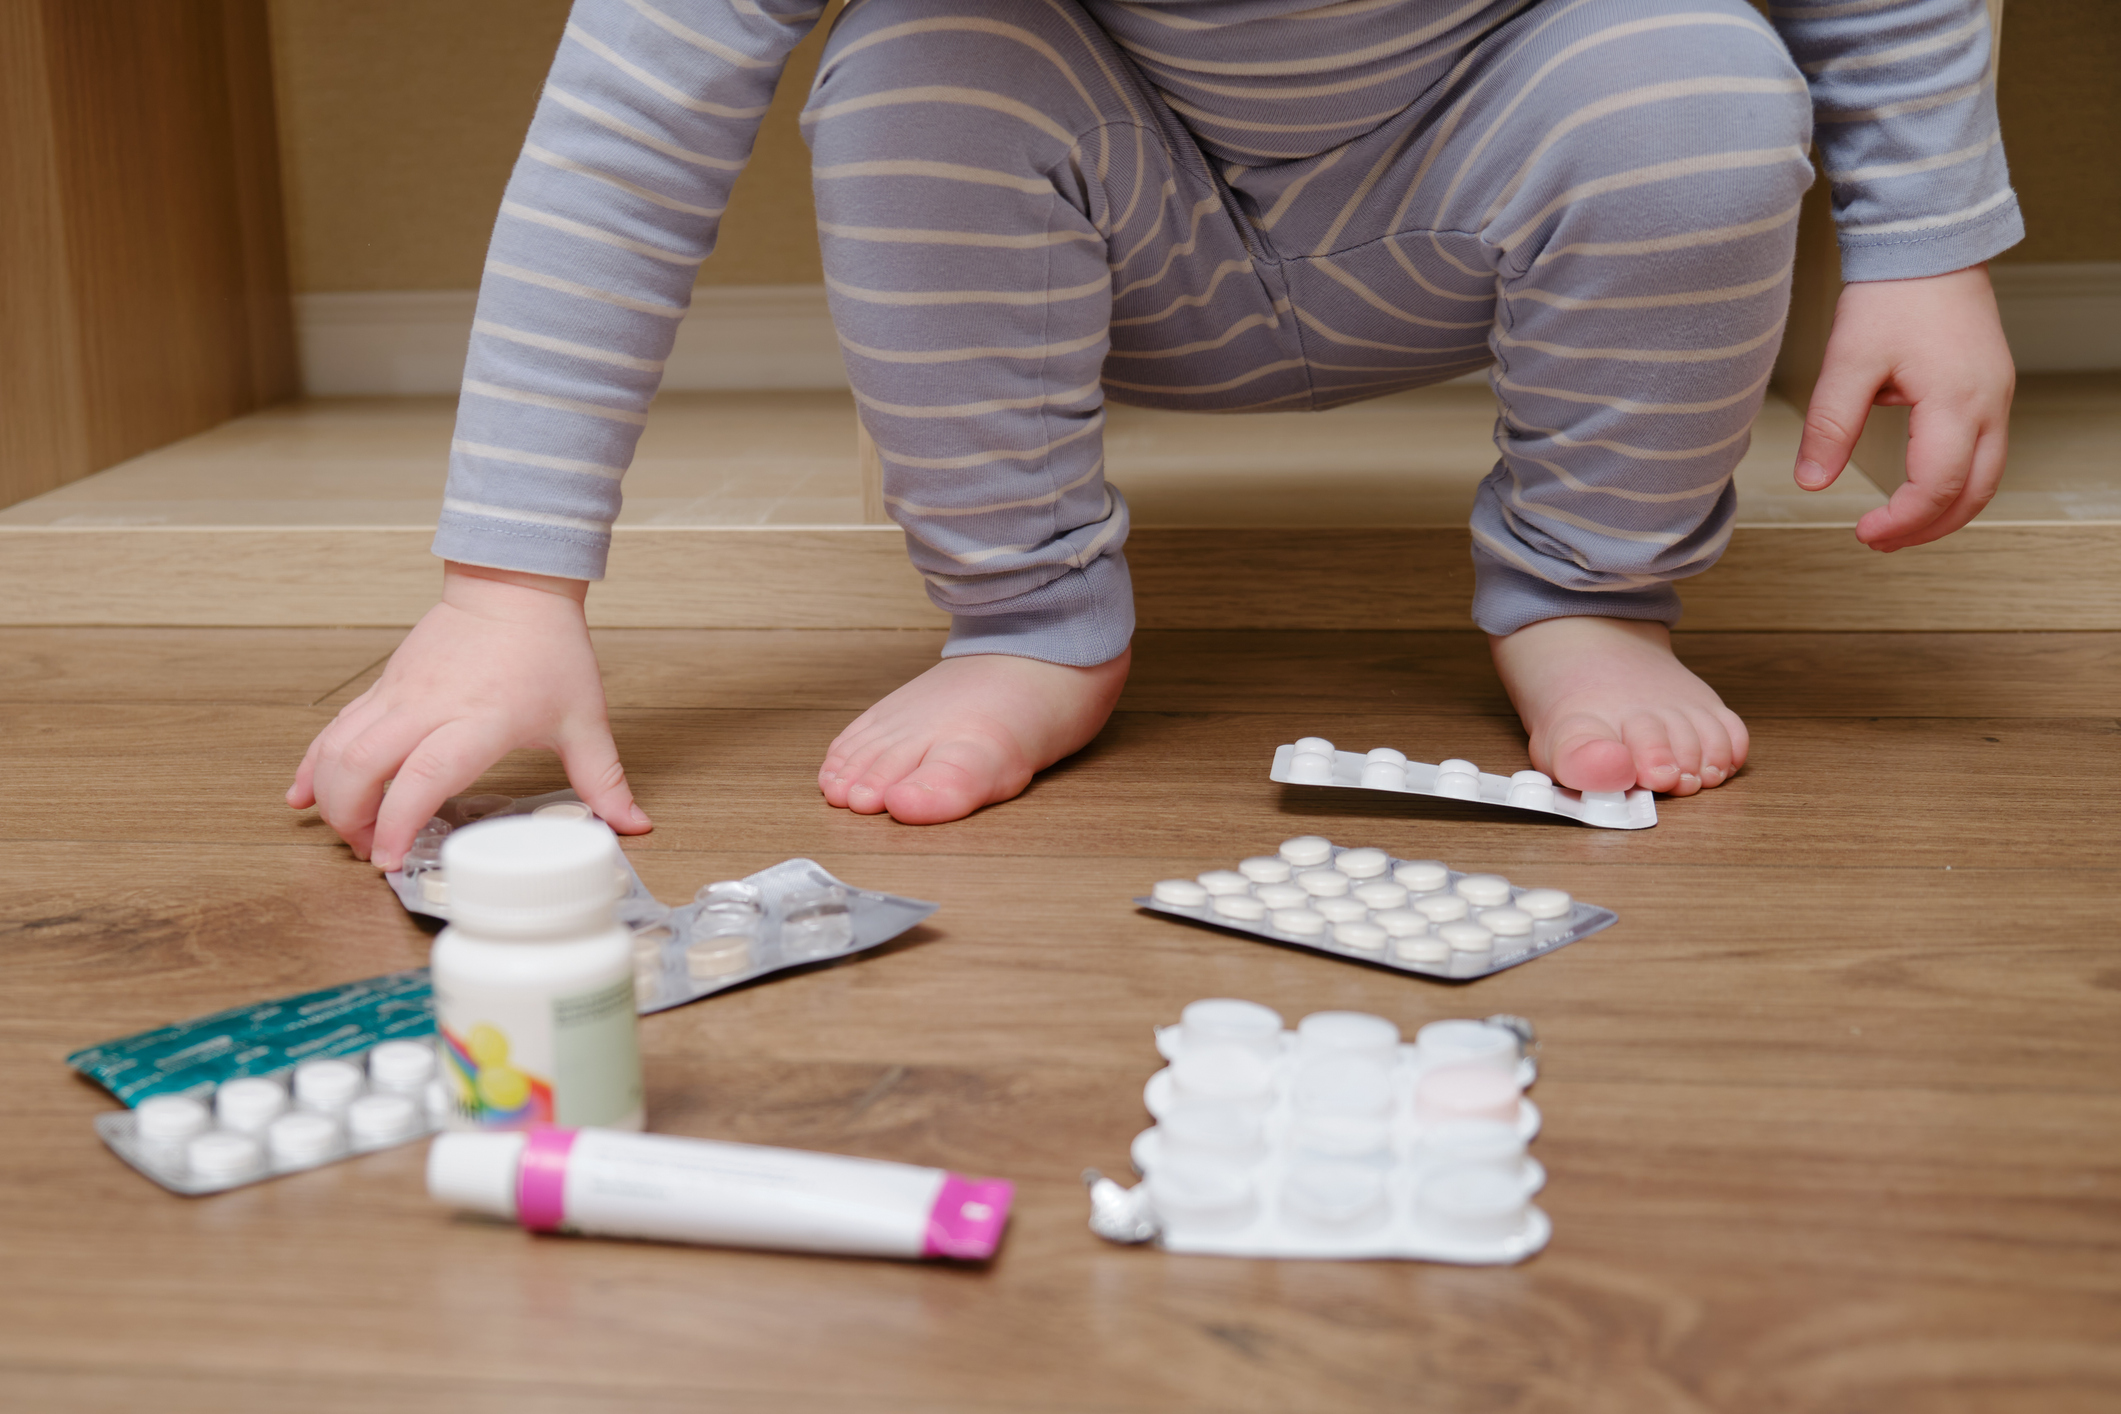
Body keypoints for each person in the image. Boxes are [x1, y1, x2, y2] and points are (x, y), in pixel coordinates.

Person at [290, 0, 2019, 868]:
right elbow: (632, 113)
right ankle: (1028, 613)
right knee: (919, 60)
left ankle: (1589, 584)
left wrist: (1925, 233)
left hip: (1488, 162)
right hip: (1114, 221)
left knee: (1696, 78)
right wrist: (506, 585)